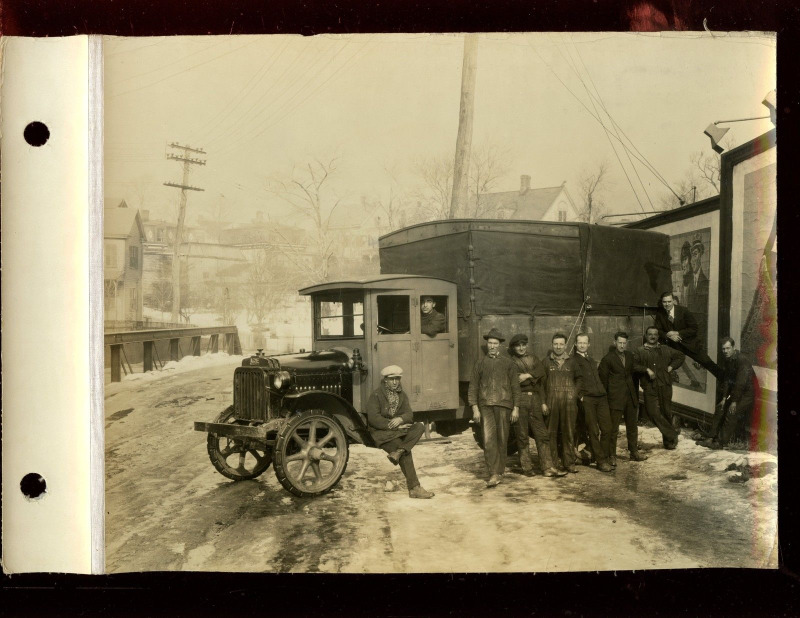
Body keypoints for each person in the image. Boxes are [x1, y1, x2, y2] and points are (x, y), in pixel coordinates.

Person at [366, 365, 434, 499]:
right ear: (385, 380)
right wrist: (393, 426)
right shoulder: (376, 395)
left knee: (419, 427)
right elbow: (373, 419)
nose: (395, 382)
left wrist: (400, 418)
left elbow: (409, 414)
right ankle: (414, 488)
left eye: (397, 379)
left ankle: (398, 452)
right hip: (382, 434)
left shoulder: (401, 395)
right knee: (406, 453)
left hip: (398, 432)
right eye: (391, 379)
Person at [468, 328, 521, 487]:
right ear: (487, 344)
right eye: (490, 343)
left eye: (495, 343)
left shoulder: (508, 363)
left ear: (500, 345)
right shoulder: (480, 363)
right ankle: (493, 473)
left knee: (502, 440)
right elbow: (473, 387)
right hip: (486, 406)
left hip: (504, 405)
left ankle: (500, 471)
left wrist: (516, 407)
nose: (492, 346)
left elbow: (515, 387)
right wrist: (475, 408)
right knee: (489, 440)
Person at [507, 334, 565, 477]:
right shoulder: (511, 362)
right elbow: (514, 381)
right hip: (520, 399)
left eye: (523, 345)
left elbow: (542, 375)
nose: (521, 348)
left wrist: (527, 376)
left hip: (536, 399)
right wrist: (533, 377)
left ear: (526, 345)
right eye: (518, 346)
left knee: (542, 435)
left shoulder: (533, 358)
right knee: (522, 436)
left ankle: (547, 467)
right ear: (514, 348)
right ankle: (527, 468)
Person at [697, 337, 760, 450]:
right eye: (723, 349)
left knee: (732, 412)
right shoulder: (728, 359)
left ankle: (720, 443)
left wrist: (734, 401)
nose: (725, 351)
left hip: (747, 393)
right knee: (720, 408)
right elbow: (727, 380)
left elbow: (740, 383)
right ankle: (710, 438)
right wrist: (724, 398)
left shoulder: (742, 360)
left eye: (728, 348)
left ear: (733, 348)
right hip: (736, 391)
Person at [598, 331, 648, 463]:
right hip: (615, 399)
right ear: (614, 342)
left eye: (624, 343)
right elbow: (603, 382)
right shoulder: (607, 359)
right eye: (619, 342)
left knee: (632, 427)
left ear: (627, 343)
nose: (621, 345)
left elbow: (634, 373)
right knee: (613, 429)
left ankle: (633, 452)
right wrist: (607, 399)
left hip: (630, 397)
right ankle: (611, 455)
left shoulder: (630, 356)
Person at [633, 326, 685, 450]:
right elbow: (634, 365)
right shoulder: (640, 351)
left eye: (655, 334)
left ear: (658, 336)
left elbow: (681, 356)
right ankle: (672, 434)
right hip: (649, 386)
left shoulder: (665, 349)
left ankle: (669, 443)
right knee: (652, 412)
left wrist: (671, 367)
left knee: (666, 412)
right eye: (650, 334)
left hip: (665, 385)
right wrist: (646, 369)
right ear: (646, 336)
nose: (653, 336)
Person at [570, 333, 614, 473]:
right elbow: (572, 381)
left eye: (585, 343)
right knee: (593, 431)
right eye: (580, 342)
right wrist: (581, 396)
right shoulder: (573, 361)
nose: (582, 345)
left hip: (601, 397)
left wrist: (603, 392)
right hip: (587, 399)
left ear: (589, 344)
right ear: (576, 344)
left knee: (607, 428)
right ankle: (601, 461)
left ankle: (600, 455)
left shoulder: (591, 360)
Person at [653, 291, 718, 377]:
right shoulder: (660, 314)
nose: (667, 304)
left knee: (707, 363)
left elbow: (694, 328)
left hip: (689, 344)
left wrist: (678, 333)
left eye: (669, 301)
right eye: (664, 302)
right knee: (664, 365)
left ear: (673, 301)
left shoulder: (683, 311)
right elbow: (658, 330)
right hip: (673, 346)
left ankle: (724, 380)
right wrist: (668, 335)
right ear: (662, 302)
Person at [543, 332, 581, 474]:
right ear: (552, 345)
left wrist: (574, 394)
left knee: (569, 432)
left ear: (565, 345)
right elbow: (541, 384)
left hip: (569, 403)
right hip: (552, 401)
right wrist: (543, 402)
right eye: (555, 344)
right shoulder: (546, 362)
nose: (558, 347)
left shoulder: (572, 361)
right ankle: (553, 463)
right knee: (551, 433)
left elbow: (579, 379)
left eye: (561, 344)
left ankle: (569, 463)